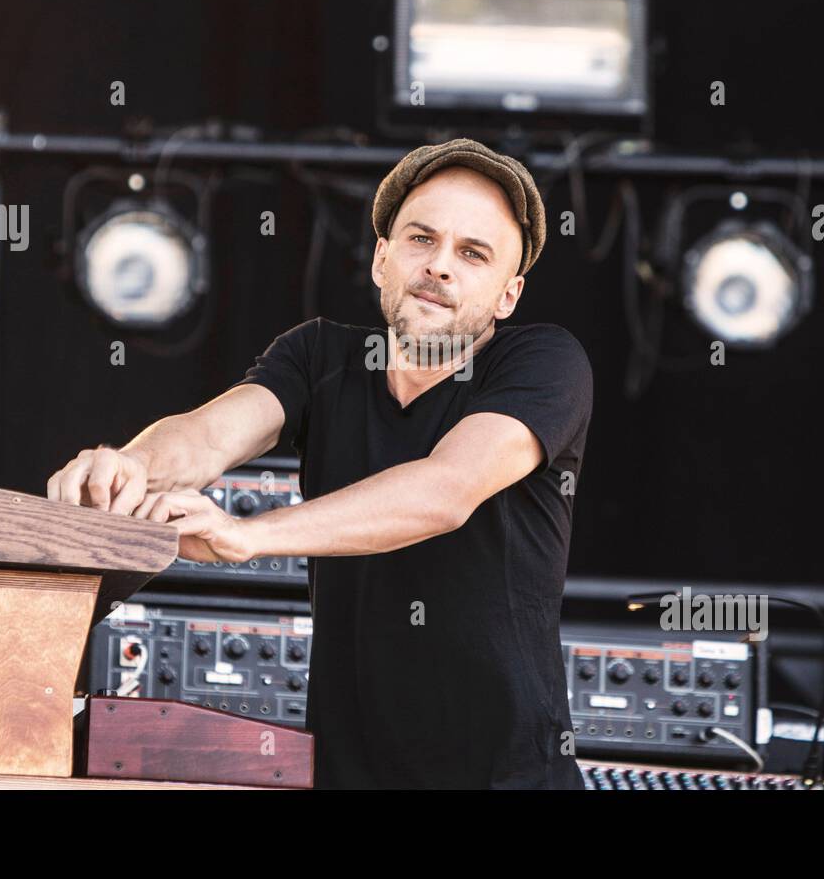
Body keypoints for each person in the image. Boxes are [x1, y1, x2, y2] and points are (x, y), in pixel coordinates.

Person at [48, 138, 593, 788]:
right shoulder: (319, 356)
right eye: (421, 240)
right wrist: (131, 465)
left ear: (508, 295)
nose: (440, 266)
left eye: (473, 254)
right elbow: (207, 436)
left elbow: (444, 491)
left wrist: (247, 535)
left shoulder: (545, 362)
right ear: (382, 259)